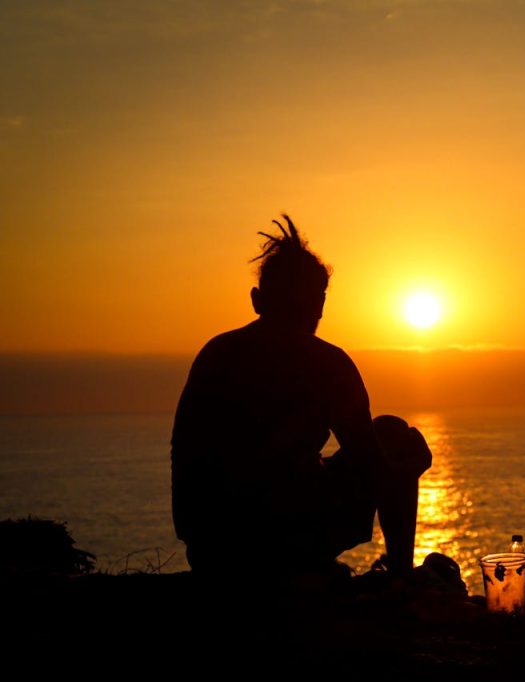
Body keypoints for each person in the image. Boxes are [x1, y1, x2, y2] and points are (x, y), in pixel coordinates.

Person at [171, 215, 430, 576]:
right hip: (289, 540)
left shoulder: (216, 353)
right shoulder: (329, 364)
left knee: (384, 435)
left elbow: (184, 459)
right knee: (396, 438)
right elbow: (372, 466)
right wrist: (410, 468)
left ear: (257, 300)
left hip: (211, 545)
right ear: (319, 305)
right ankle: (402, 577)